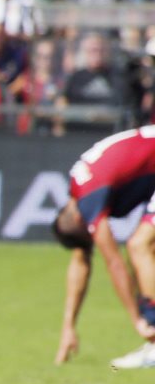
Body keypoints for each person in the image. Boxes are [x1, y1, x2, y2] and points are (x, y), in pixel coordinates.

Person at [52, 128, 155, 369]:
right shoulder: (78, 191)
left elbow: (113, 263)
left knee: (140, 246)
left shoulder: (88, 201)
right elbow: (81, 259)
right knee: (144, 254)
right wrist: (69, 327)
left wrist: (136, 321)